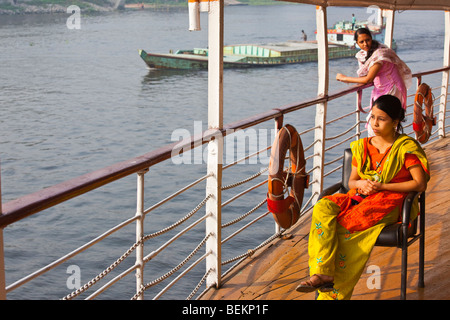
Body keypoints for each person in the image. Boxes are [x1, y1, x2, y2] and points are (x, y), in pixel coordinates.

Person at [296, 95, 429, 300]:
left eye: (381, 119)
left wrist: (382, 186)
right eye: (372, 117)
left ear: (395, 122)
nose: (374, 123)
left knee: (345, 224)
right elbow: (351, 182)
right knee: (322, 206)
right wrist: (361, 184)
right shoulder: (363, 146)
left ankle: (332, 295)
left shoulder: (405, 148)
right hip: (359, 196)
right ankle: (323, 272)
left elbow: (420, 184)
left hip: (391, 200)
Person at [336, 28, 412, 136]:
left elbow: (368, 79)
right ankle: (386, 147)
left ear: (372, 39)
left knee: (383, 121)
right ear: (356, 43)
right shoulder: (368, 54)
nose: (365, 44)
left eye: (367, 40)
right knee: (383, 120)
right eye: (361, 42)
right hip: (381, 88)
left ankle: (385, 148)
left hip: (392, 88)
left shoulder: (379, 55)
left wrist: (344, 78)